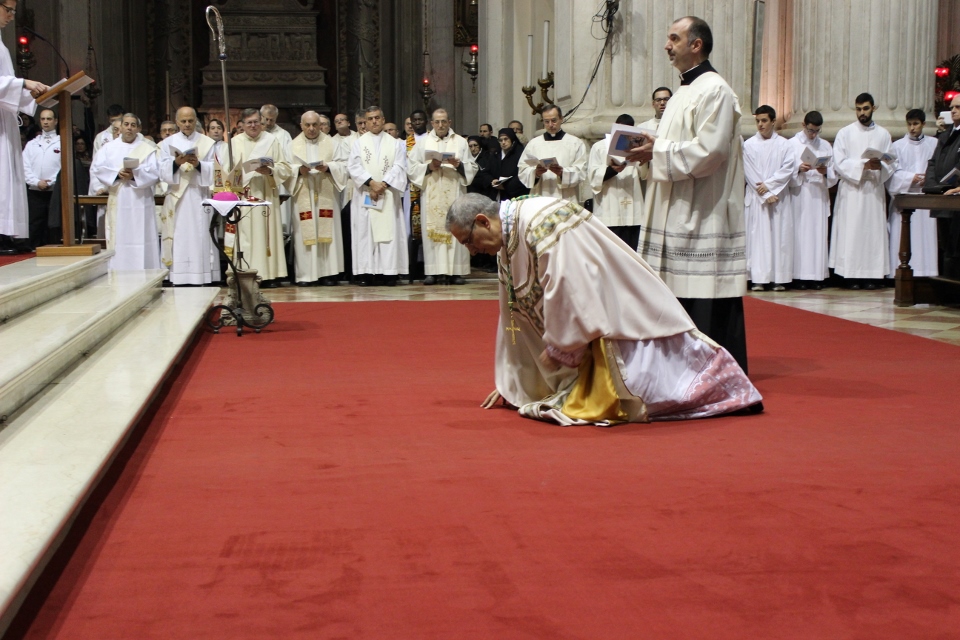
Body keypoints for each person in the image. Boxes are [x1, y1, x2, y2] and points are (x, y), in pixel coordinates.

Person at [446, 193, 762, 426]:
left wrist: (562, 345)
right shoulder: (510, 233)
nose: (472, 251)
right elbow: (512, 313)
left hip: (617, 306)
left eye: (468, 241)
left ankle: (728, 392)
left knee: (653, 384)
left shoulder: (541, 222)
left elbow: (568, 284)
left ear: (483, 220)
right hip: (592, 321)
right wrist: (514, 382)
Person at [626, 16, 750, 373]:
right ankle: (679, 371)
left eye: (674, 38)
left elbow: (711, 152)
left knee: (702, 298)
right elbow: (678, 144)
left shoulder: (715, 90)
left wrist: (657, 150)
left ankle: (712, 374)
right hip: (676, 207)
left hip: (700, 212)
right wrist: (651, 147)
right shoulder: (683, 91)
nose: (667, 46)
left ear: (696, 45)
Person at [831, 92, 896, 289]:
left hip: (873, 189)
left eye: (866, 109)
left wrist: (880, 166)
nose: (862, 113)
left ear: (873, 108)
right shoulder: (845, 133)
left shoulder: (883, 134)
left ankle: (872, 275)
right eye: (858, 109)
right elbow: (839, 162)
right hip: (852, 189)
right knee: (852, 232)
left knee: (872, 233)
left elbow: (892, 162)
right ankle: (851, 276)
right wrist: (862, 165)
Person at [408, 108, 477, 285]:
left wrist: (459, 165)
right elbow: (412, 167)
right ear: (432, 123)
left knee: (456, 230)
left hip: (455, 194)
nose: (440, 125)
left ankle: (456, 272)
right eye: (437, 122)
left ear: (449, 123)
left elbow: (472, 167)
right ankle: (433, 271)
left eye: (444, 121)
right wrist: (429, 167)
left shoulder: (460, 142)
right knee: (433, 232)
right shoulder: (423, 143)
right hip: (432, 195)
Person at [1, 0, 48, 254]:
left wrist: (33, 94)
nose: (11, 16)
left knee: (8, 176)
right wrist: (23, 83)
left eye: (13, 11)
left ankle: (7, 233)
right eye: (8, 9)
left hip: (4, 122)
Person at [226, 107, 293, 285]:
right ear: (242, 124)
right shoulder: (234, 143)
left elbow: (285, 168)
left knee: (266, 234)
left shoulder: (271, 140)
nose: (253, 125)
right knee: (246, 236)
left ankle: (269, 275)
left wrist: (270, 171)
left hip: (266, 194)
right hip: (243, 196)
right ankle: (245, 273)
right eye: (249, 123)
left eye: (256, 122)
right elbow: (225, 173)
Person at [346, 105, 409, 286]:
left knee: (389, 233)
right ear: (365, 122)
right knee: (365, 234)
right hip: (366, 194)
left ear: (383, 119)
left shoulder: (395, 143)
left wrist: (383, 184)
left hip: (387, 194)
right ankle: (366, 273)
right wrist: (371, 183)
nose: (374, 121)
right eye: (370, 119)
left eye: (377, 118)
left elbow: (400, 166)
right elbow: (353, 167)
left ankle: (389, 273)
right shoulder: (359, 143)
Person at [89, 113, 161, 270]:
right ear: (120, 127)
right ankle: (118, 270)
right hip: (119, 198)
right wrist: (117, 174)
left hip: (141, 200)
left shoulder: (147, 149)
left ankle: (145, 271)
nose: (129, 128)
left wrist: (134, 175)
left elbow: (155, 173)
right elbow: (97, 168)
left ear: (139, 129)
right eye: (126, 124)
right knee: (120, 235)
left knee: (142, 235)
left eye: (133, 125)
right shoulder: (108, 148)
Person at [157, 106, 219, 286]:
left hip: (198, 193)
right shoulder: (167, 143)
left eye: (190, 121)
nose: (187, 124)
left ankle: (201, 275)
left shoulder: (207, 142)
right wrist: (176, 163)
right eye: (183, 121)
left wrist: (198, 164)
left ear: (195, 121)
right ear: (177, 122)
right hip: (177, 195)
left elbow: (215, 169)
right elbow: (161, 169)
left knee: (199, 235)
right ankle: (178, 276)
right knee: (178, 235)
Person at [288, 110, 347, 286]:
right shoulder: (292, 145)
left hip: (326, 193)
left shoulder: (332, 143)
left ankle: (328, 273)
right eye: (308, 125)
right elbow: (284, 169)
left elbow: (344, 165)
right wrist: (298, 170)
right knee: (304, 232)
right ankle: (306, 275)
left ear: (320, 125)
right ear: (301, 125)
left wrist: (329, 167)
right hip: (303, 192)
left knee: (328, 231)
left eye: (315, 124)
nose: (312, 128)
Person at [742, 104, 796, 291]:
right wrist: (764, 193)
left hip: (778, 198)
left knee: (779, 238)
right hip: (758, 199)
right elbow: (748, 171)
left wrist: (770, 187)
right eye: (757, 121)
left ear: (773, 121)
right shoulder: (749, 145)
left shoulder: (785, 144)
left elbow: (788, 169)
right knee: (758, 238)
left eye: (764, 121)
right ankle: (758, 278)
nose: (760, 124)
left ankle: (778, 278)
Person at [787, 111, 837, 289]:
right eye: (810, 130)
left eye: (817, 131)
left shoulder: (825, 146)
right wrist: (799, 168)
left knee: (817, 235)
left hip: (818, 195)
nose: (813, 134)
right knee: (800, 235)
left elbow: (834, 173)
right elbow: (786, 169)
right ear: (803, 125)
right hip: (800, 194)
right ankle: (799, 276)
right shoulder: (792, 144)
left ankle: (816, 276)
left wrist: (826, 172)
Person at [886, 109, 938, 279]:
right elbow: (891, 174)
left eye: (916, 124)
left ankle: (926, 273)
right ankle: (900, 275)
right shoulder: (897, 146)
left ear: (923, 124)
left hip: (926, 198)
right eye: (909, 124)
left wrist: (928, 179)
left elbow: (938, 169)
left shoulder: (934, 144)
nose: (912, 128)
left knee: (924, 238)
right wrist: (911, 178)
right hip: (905, 197)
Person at [588, 113, 645, 249]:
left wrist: (643, 158)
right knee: (611, 251)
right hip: (609, 209)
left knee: (633, 250)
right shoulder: (599, 147)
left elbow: (644, 173)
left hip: (633, 210)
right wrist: (612, 170)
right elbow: (593, 176)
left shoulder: (637, 147)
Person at [519, 105, 587, 203]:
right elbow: (522, 169)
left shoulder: (575, 143)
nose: (550, 125)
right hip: (539, 197)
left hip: (566, 197)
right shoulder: (533, 144)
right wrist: (536, 173)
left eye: (554, 120)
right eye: (546, 121)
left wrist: (562, 173)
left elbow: (581, 170)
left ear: (561, 119)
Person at [925, 94, 960, 279]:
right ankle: (946, 287)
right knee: (945, 247)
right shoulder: (945, 135)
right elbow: (933, 162)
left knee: (956, 248)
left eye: (958, 107)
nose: (953, 110)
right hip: (942, 198)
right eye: (952, 107)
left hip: (957, 198)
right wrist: (933, 187)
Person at [22, 107, 61, 248]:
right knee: (34, 223)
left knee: (54, 224)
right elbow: (25, 166)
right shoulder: (31, 144)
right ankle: (32, 249)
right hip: (35, 191)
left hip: (55, 192)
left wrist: (52, 182)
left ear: (55, 121)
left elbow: (64, 168)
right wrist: (36, 182)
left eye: (49, 119)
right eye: (43, 119)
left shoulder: (62, 142)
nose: (46, 122)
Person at [332, 112, 359, 281]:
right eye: (336, 121)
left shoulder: (358, 138)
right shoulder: (332, 141)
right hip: (344, 185)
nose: (340, 123)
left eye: (342, 120)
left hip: (358, 185)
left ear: (349, 123)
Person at [491, 127, 529, 201]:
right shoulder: (496, 154)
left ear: (512, 139)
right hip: (498, 193)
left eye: (506, 139)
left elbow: (523, 174)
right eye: (500, 140)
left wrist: (506, 186)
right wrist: (492, 180)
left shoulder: (520, 153)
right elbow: (487, 171)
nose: (503, 142)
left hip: (516, 193)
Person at [467, 134, 499, 200]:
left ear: (480, 145)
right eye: (470, 146)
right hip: (470, 190)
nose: (473, 149)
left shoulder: (487, 156)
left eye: (475, 145)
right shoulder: (466, 157)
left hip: (485, 191)